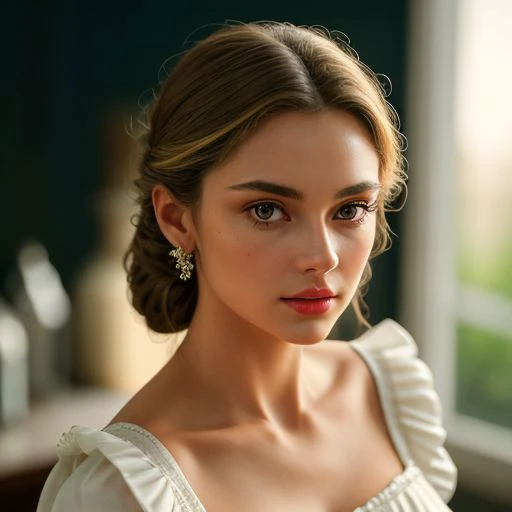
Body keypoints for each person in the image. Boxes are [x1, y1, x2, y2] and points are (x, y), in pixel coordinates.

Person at [37, 21, 457, 512]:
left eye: (350, 209)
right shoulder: (124, 492)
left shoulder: (389, 393)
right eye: (266, 210)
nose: (322, 256)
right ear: (177, 219)